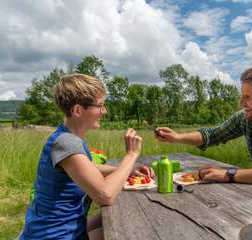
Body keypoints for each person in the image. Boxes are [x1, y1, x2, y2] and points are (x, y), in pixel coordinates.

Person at [19, 74, 154, 240]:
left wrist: (128, 170)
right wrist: (131, 155)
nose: (104, 111)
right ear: (77, 110)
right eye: (100, 106)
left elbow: (88, 167)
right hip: (55, 235)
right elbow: (105, 195)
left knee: (126, 216)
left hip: (65, 227)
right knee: (134, 228)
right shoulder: (67, 142)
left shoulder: (67, 138)